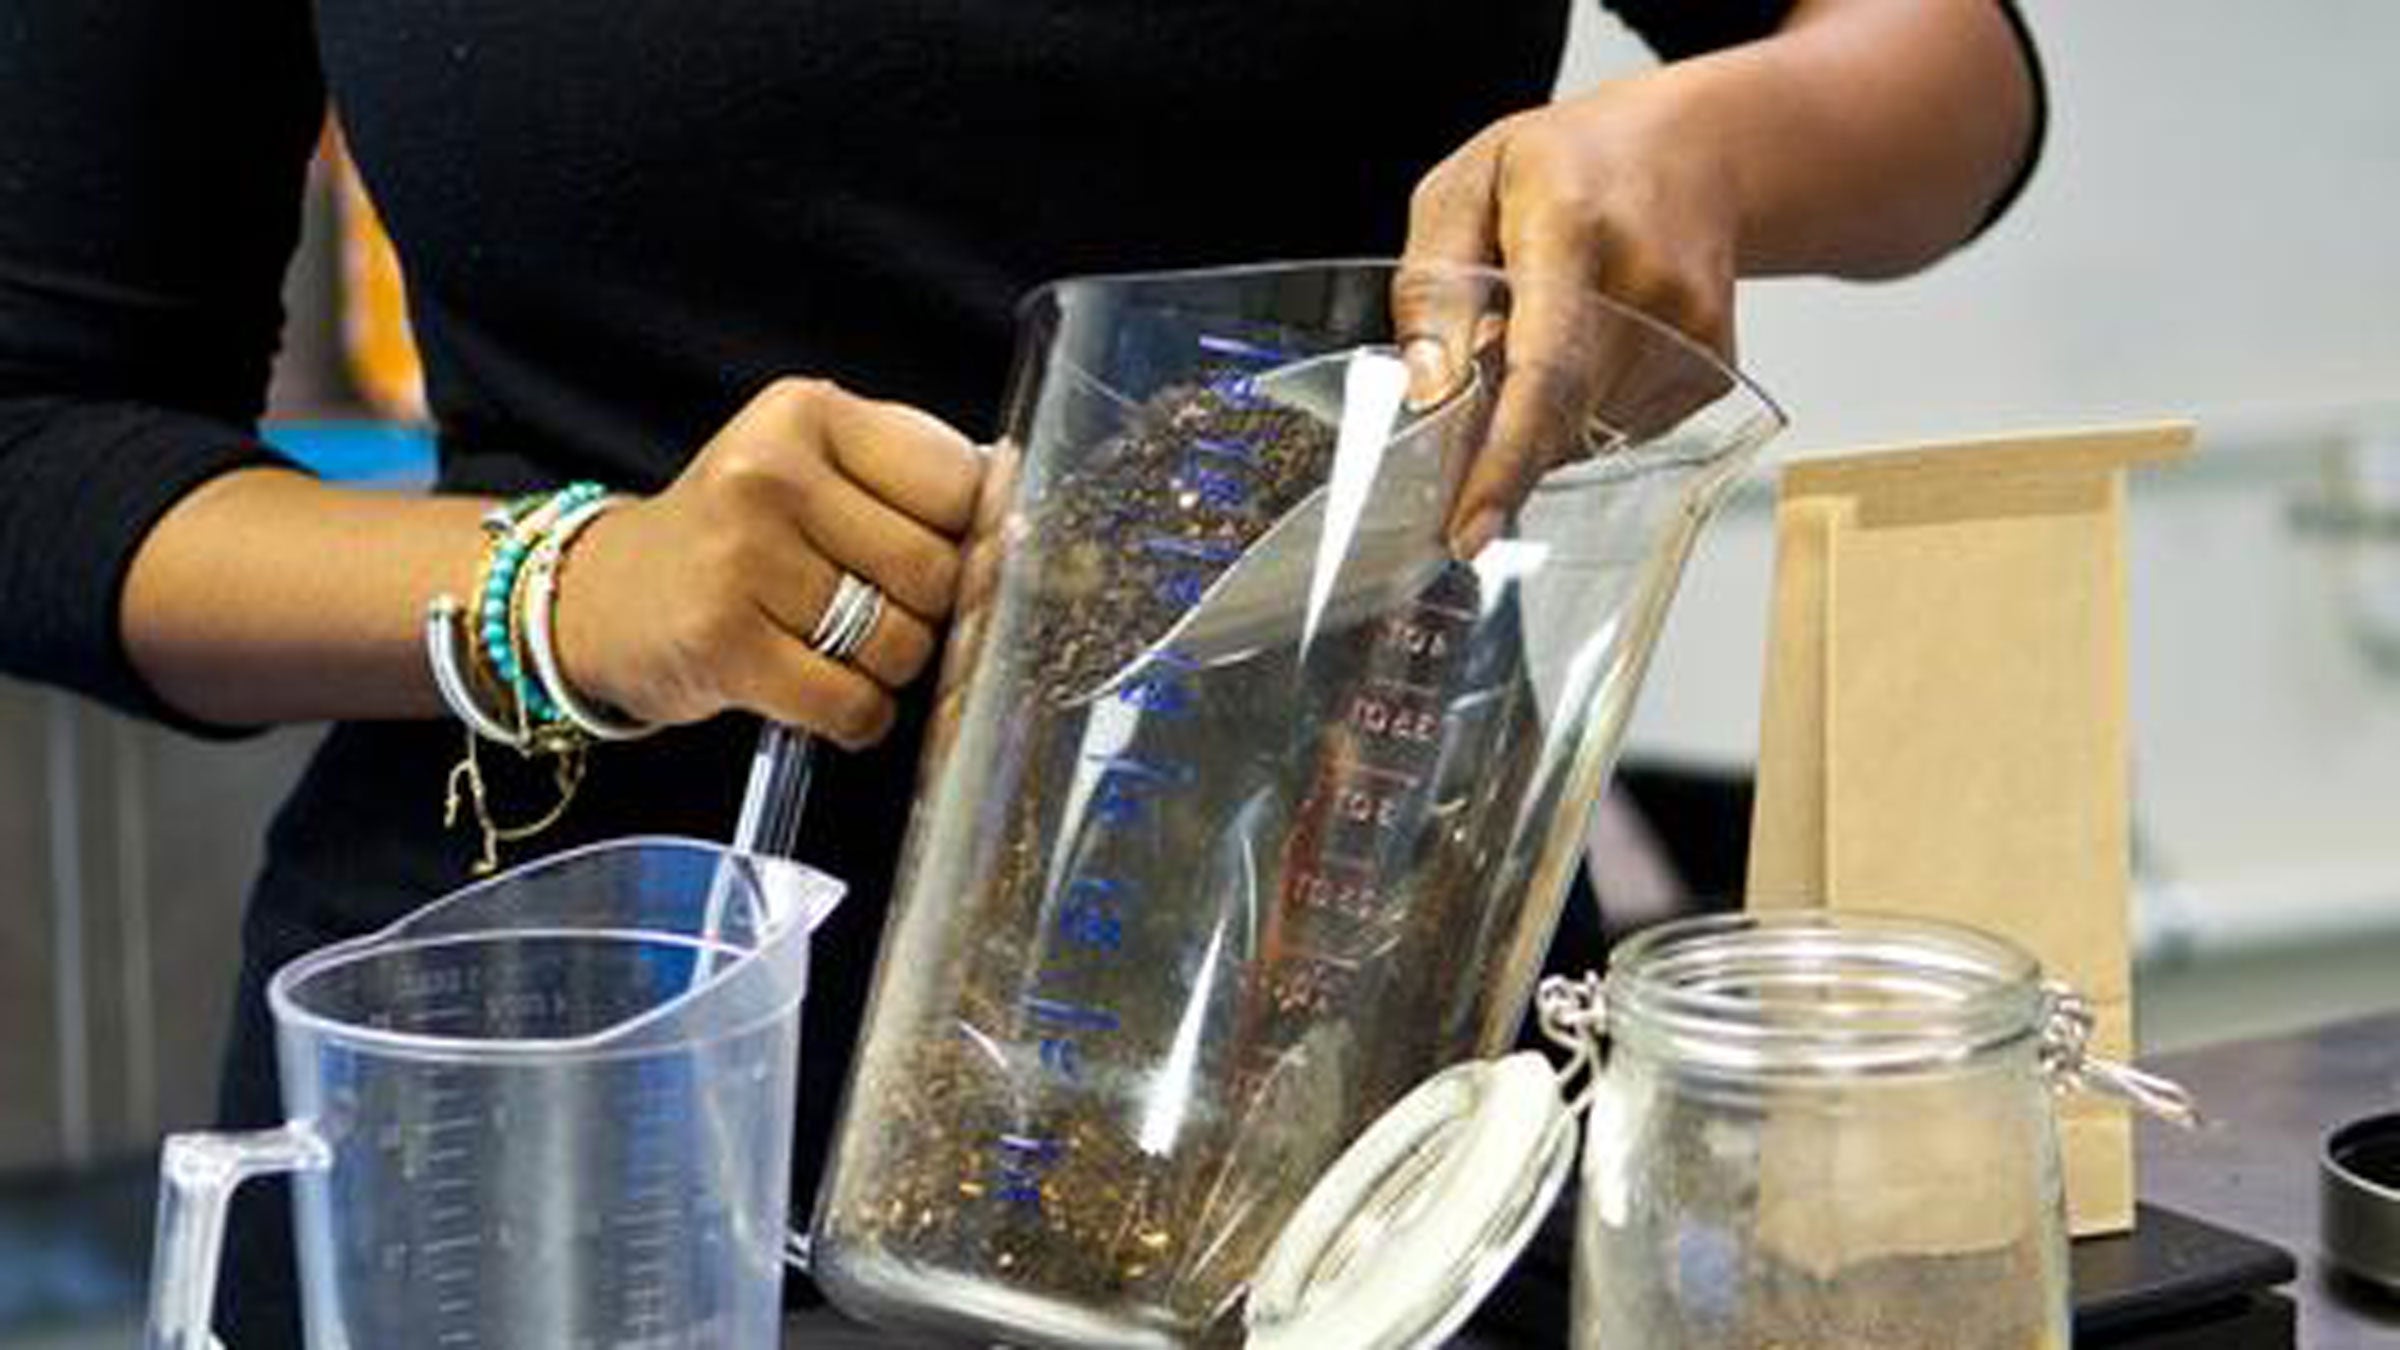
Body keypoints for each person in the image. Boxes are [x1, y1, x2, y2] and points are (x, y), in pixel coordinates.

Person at [0, 1, 2042, 1341]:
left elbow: (1948, 72)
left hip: (1340, 1098)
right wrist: (578, 589)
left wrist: (1709, 137)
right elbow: (40, 444)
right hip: (564, 1133)